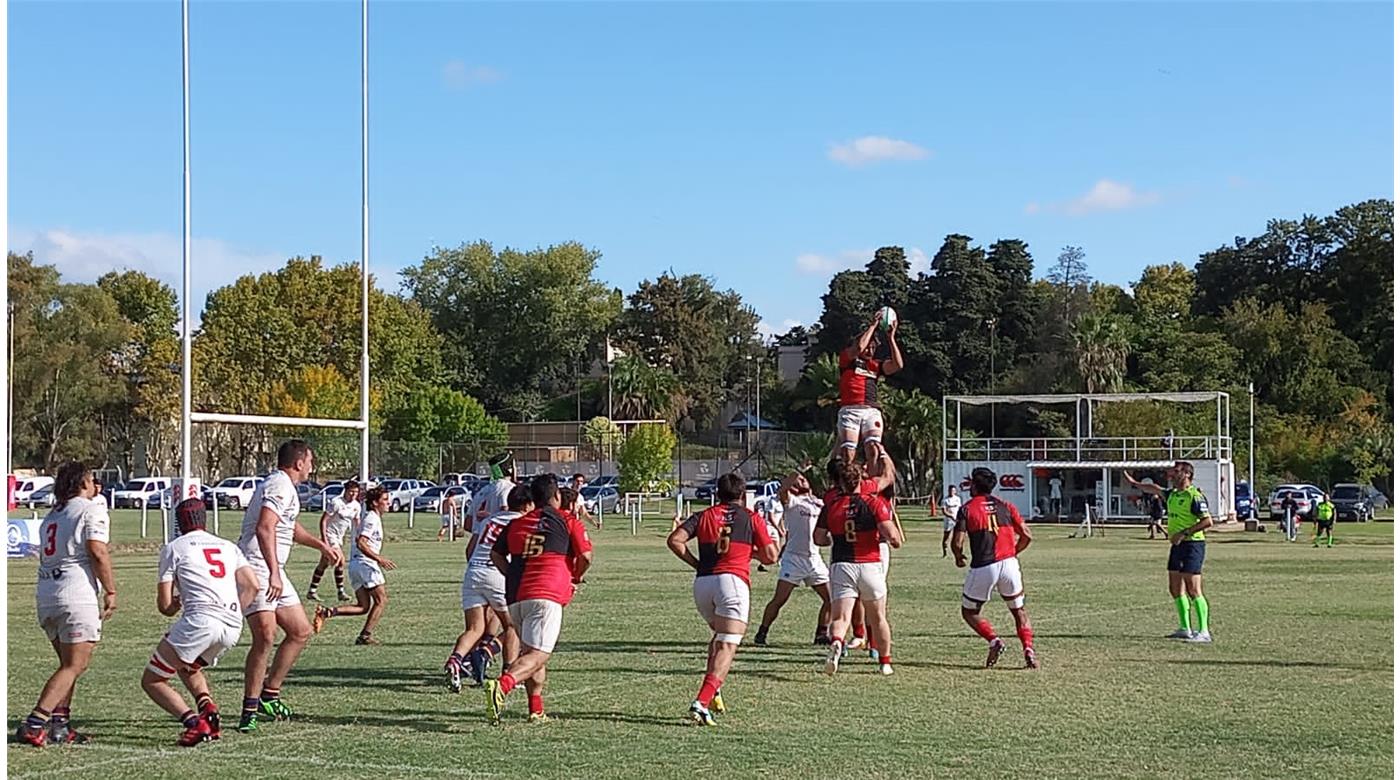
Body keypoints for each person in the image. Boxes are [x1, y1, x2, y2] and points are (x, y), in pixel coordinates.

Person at [236, 439, 343, 733]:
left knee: (300, 630)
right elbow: (264, 527)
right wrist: (272, 573)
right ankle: (250, 709)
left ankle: (270, 693)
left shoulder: (285, 487)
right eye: (310, 461)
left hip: (273, 569)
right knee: (266, 636)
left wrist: (320, 545)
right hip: (256, 567)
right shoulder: (279, 485)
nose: (312, 466)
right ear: (299, 463)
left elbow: (288, 528)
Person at [16, 462, 117, 747]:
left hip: (47, 593)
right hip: (75, 593)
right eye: (91, 479)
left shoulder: (52, 515)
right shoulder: (90, 508)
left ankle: (60, 724)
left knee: (66, 665)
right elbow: (97, 551)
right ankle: (36, 722)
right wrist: (110, 590)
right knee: (75, 665)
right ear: (82, 483)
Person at [143, 499, 259, 746]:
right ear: (204, 519)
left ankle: (195, 724)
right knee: (188, 666)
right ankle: (208, 709)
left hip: (201, 621)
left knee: (152, 680)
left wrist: (174, 605)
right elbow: (253, 585)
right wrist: (235, 611)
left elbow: (165, 606)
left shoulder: (174, 548)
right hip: (231, 625)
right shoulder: (228, 546)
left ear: (179, 523)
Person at [667, 473, 778, 725]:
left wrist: (696, 563)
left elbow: (675, 540)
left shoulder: (704, 515)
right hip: (732, 584)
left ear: (718, 494)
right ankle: (702, 701)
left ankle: (713, 688)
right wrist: (752, 553)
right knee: (728, 644)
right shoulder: (751, 517)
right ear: (742, 495)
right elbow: (771, 556)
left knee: (719, 638)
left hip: (703, 584)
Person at [484, 474, 593, 724]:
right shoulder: (567, 520)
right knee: (539, 655)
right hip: (546, 592)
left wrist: (510, 574)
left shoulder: (515, 524)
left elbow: (496, 555)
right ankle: (502, 685)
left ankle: (536, 709)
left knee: (530, 651)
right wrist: (574, 577)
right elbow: (586, 556)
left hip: (516, 595)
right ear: (556, 496)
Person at [815, 460, 904, 678]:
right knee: (878, 617)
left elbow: (818, 538)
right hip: (870, 564)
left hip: (842, 564)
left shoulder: (832, 504)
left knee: (840, 618)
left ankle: (837, 642)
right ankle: (885, 662)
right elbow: (893, 536)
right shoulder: (873, 503)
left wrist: (836, 538)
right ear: (860, 480)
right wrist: (894, 540)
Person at [951, 467, 1039, 669]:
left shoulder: (967, 508)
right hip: (1009, 564)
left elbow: (957, 542)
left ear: (973, 485)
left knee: (969, 612)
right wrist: (1014, 551)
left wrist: (958, 557)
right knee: (1019, 611)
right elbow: (1027, 535)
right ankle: (1028, 649)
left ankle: (994, 640)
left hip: (984, 565)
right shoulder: (1006, 506)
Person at [446, 485, 530, 693]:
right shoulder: (519, 522)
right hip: (496, 573)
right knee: (512, 625)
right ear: (527, 505)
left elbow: (470, 548)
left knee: (474, 629)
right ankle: (509, 672)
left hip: (473, 572)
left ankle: (455, 661)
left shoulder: (489, 520)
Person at [1125, 462, 1214, 643]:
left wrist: (1184, 533)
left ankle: (1204, 631)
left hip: (1192, 545)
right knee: (1175, 588)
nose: (1172, 474)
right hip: (1177, 546)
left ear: (1187, 474)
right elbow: (1154, 489)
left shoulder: (1194, 496)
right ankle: (1185, 628)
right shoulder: (1172, 494)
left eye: (1177, 471)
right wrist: (1135, 482)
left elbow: (1207, 521)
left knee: (1193, 588)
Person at [754, 470, 831, 647]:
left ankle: (821, 633)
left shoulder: (819, 504)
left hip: (814, 559)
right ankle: (762, 632)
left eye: (804, 479)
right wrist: (798, 473)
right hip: (793, 559)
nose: (800, 481)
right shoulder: (792, 501)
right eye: (799, 480)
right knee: (780, 599)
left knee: (831, 599)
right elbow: (783, 489)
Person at [312, 486, 397, 644]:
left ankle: (327, 612)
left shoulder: (371, 516)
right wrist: (379, 559)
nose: (389, 503)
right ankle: (365, 636)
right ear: (375, 503)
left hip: (355, 565)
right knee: (381, 600)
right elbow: (361, 543)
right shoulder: (372, 518)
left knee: (363, 607)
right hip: (366, 564)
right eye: (385, 500)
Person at [835, 310, 903, 465]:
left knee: (873, 448)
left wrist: (891, 338)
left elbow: (897, 365)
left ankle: (872, 484)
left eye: (874, 347)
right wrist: (873, 326)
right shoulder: (847, 358)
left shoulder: (876, 365)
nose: (870, 350)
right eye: (869, 346)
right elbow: (858, 348)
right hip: (850, 410)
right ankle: (847, 482)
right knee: (847, 451)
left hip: (870, 410)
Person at [307, 481, 360, 602]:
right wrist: (324, 539)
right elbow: (324, 521)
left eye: (356, 492)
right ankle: (341, 592)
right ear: (345, 491)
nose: (353, 494)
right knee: (340, 560)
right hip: (330, 536)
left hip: (339, 538)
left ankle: (312, 591)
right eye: (351, 491)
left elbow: (357, 522)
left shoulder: (356, 506)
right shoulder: (336, 502)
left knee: (324, 564)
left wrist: (359, 535)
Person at [468, 452, 516, 529]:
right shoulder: (509, 488)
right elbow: (505, 511)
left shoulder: (481, 491)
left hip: (479, 539)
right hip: (495, 538)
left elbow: (468, 524)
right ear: (510, 469)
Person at [937, 486, 962, 558]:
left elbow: (959, 509)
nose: (952, 492)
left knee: (958, 537)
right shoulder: (945, 500)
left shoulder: (958, 499)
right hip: (948, 521)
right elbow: (944, 511)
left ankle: (957, 553)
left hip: (956, 520)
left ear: (955, 491)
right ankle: (945, 553)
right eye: (950, 491)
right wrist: (951, 516)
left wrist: (958, 518)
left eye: (953, 491)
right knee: (946, 537)